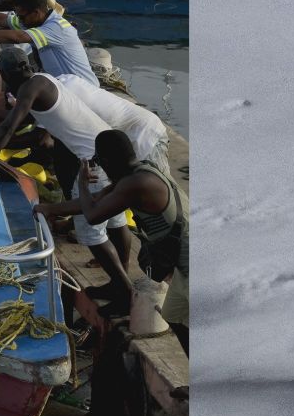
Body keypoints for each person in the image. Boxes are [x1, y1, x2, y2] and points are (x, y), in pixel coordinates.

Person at [0, 72, 137, 306]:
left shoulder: (29, 89)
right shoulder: (45, 81)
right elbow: (20, 122)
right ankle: (122, 278)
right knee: (116, 221)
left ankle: (123, 289)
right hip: (109, 157)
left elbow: (8, 129)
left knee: (91, 233)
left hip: (93, 162)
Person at [36, 128, 187, 347]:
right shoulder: (137, 173)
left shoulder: (136, 184)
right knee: (175, 317)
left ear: (106, 160)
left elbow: (93, 215)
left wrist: (82, 184)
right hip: (180, 256)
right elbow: (96, 200)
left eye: (97, 160)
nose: (98, 165)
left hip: (189, 259)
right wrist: (49, 208)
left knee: (193, 323)